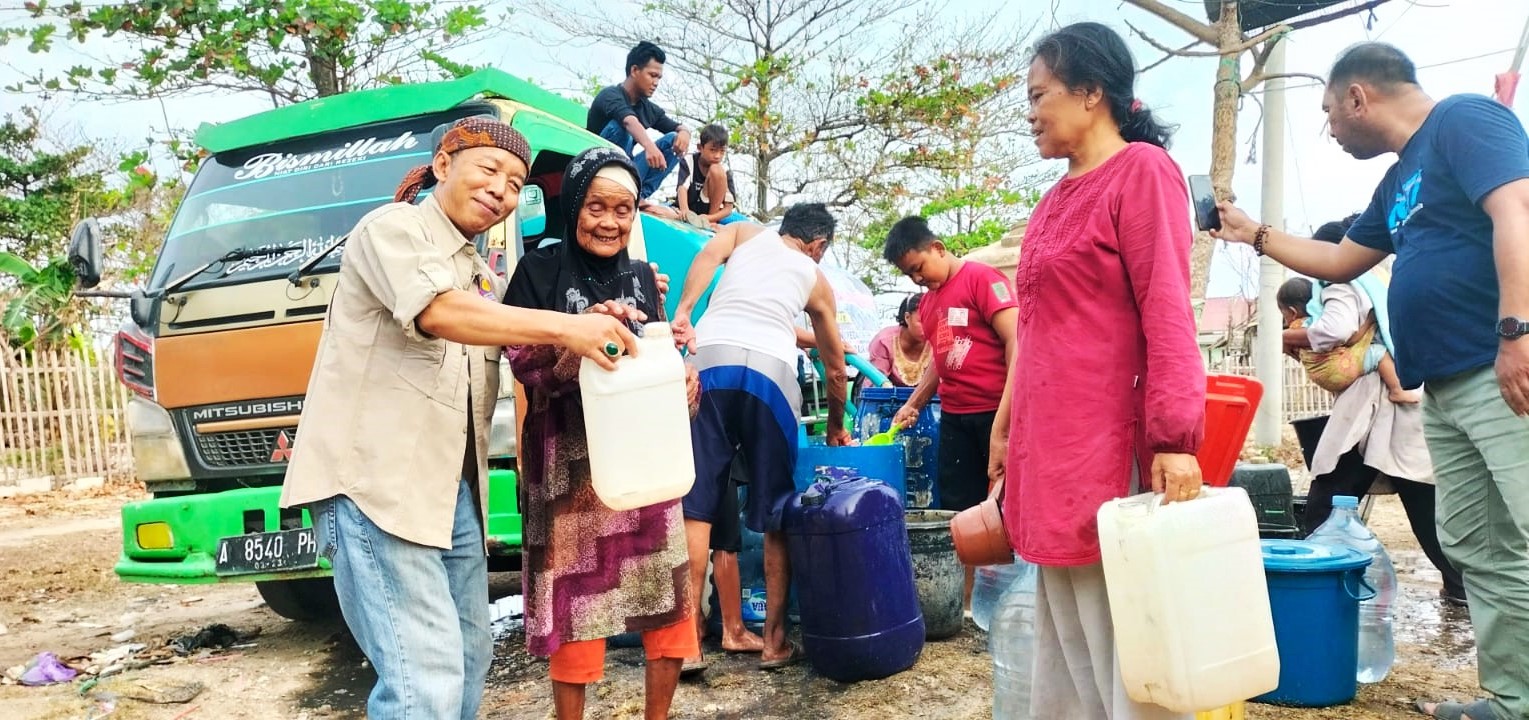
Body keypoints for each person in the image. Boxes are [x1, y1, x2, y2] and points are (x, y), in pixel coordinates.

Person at [280, 118, 639, 720]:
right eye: (489, 169)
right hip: (378, 485)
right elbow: (439, 313)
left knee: (470, 655)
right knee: (424, 676)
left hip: (451, 494)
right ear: (443, 164)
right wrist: (568, 326)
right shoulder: (392, 228)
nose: (502, 189)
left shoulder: (479, 273)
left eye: (516, 182)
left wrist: (599, 324)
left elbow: (523, 357)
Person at [1211, 42, 1529, 720]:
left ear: (1359, 97)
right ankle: (1514, 698)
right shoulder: (1398, 181)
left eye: (1330, 111)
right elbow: (1339, 258)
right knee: (1478, 545)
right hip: (1442, 388)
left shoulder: (1464, 120)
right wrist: (1252, 234)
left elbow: (1516, 210)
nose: (1329, 127)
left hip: (1500, 367)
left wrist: (1516, 331)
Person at [995, 23, 1205, 720]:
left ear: (1091, 93)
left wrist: (1175, 437)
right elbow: (1034, 330)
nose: (1028, 112)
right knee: (1066, 633)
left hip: (1106, 447)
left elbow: (1168, 311)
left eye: (1037, 95)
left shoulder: (1142, 172)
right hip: (1046, 447)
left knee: (1126, 635)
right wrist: (1005, 426)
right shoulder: (1053, 199)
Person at [503, 147, 698, 720]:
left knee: (667, 602)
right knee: (574, 609)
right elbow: (522, 362)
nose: (610, 222)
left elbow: (656, 351)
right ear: (572, 206)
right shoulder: (537, 271)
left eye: (624, 209)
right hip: (569, 466)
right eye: (596, 207)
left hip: (645, 462)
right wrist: (585, 335)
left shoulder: (642, 277)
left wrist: (685, 379)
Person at [670, 203, 850, 671]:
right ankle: (774, 642)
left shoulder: (745, 233)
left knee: (696, 505)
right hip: (771, 373)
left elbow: (707, 258)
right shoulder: (814, 276)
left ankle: (687, 643)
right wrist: (835, 424)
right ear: (818, 245)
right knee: (777, 511)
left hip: (709, 359)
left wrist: (685, 312)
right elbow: (835, 369)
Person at [1279, 217, 1465, 606]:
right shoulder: (1375, 279)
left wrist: (1288, 336)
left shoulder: (1342, 284)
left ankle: (1319, 583)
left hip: (1374, 407)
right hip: (1391, 406)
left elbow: (1336, 330)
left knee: (1327, 496)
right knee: (1421, 504)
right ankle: (1462, 587)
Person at [886, 217, 1018, 514]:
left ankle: (1012, 562)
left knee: (1005, 503)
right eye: (909, 275)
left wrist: (1004, 425)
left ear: (938, 248)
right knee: (958, 507)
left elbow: (1016, 340)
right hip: (955, 418)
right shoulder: (928, 304)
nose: (916, 280)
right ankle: (969, 562)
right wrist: (914, 404)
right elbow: (941, 358)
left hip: (995, 410)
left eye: (918, 268)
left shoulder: (982, 279)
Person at [587, 41, 691, 201]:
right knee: (621, 128)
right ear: (634, 70)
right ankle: (614, 185)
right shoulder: (610, 95)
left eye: (659, 78)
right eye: (652, 75)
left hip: (627, 168)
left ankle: (638, 196)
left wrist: (685, 132)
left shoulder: (648, 108)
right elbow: (629, 121)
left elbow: (676, 127)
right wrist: (649, 146)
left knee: (673, 139)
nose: (656, 83)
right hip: (594, 166)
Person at [675, 123, 749, 227]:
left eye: (722, 151)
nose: (717, 156)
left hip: (711, 214)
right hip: (689, 207)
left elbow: (728, 208)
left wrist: (709, 218)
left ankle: (710, 224)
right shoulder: (689, 161)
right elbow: (682, 188)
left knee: (747, 225)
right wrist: (685, 211)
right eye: (713, 150)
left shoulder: (724, 171)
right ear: (700, 147)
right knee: (655, 210)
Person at [866, 293, 931, 388]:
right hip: (887, 400)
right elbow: (875, 382)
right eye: (922, 321)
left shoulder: (939, 341)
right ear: (907, 317)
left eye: (933, 320)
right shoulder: (884, 341)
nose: (929, 326)